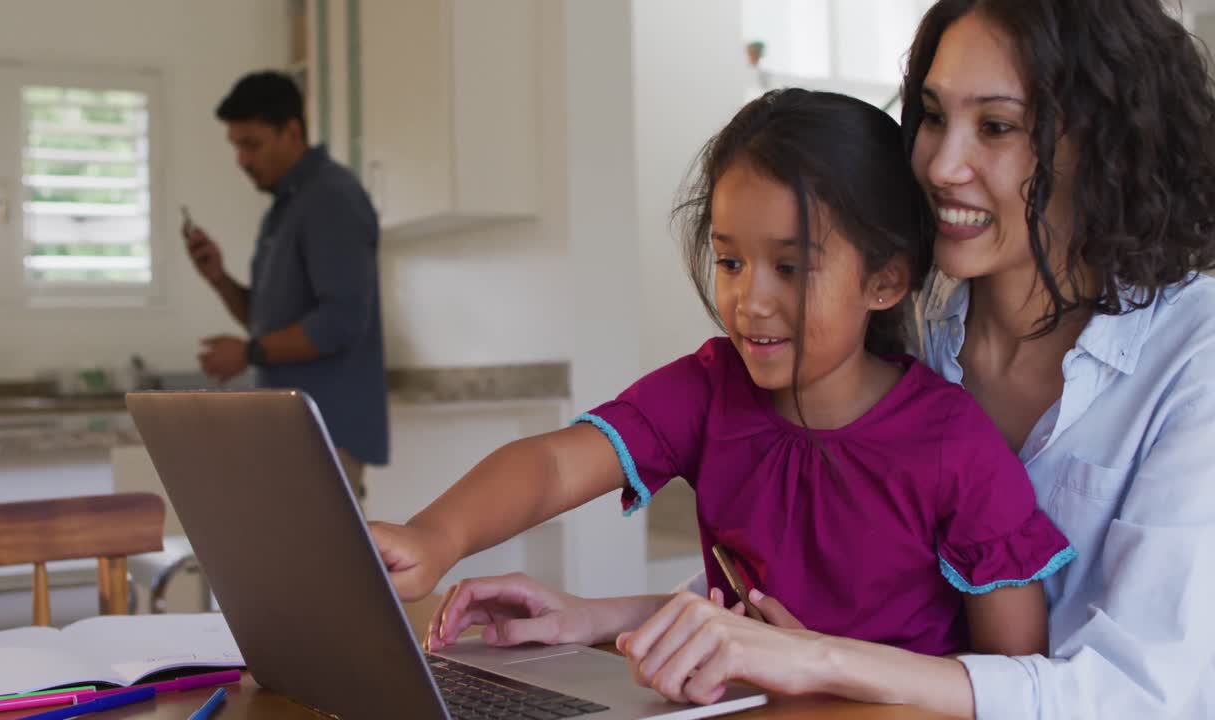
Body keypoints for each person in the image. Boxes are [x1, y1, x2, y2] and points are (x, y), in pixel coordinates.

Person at [489, 1, 1215, 717]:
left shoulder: (1195, 356)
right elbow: (845, 588)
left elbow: (1142, 694)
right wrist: (615, 619)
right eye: (932, 116)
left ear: (1106, 147)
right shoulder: (906, 322)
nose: (939, 164)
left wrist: (822, 660)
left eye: (994, 126)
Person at [372, 89, 1075, 664]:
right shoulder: (711, 389)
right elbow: (556, 465)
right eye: (731, 261)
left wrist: (835, 674)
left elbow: (1011, 677)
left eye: (791, 267)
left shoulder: (954, 445)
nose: (750, 300)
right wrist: (437, 538)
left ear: (886, 280)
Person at [184, 71, 388, 496]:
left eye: (251, 144)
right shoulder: (287, 205)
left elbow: (340, 321)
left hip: (326, 434)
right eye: (236, 146)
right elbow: (266, 322)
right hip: (295, 432)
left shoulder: (331, 198)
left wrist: (249, 352)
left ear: (292, 132)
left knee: (322, 562)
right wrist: (220, 280)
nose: (241, 159)